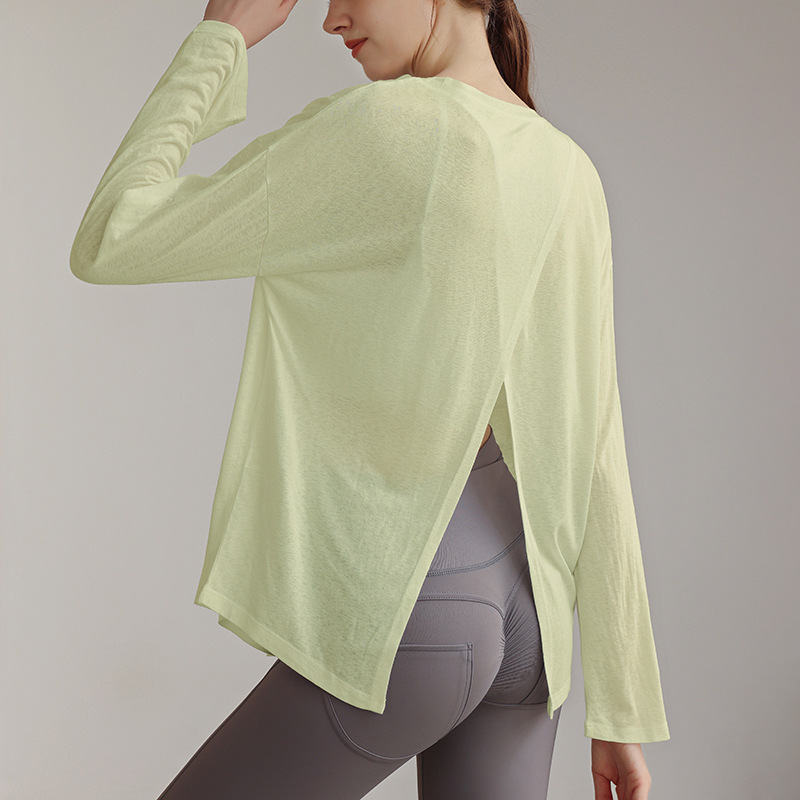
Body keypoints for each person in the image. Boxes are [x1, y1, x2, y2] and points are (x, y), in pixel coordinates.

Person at [70, 0, 670, 797]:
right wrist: (621, 708)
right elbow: (595, 442)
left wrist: (222, 38)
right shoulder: (569, 170)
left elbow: (112, 235)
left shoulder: (390, 128)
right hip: (534, 622)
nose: (330, 19)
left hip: (425, 600)